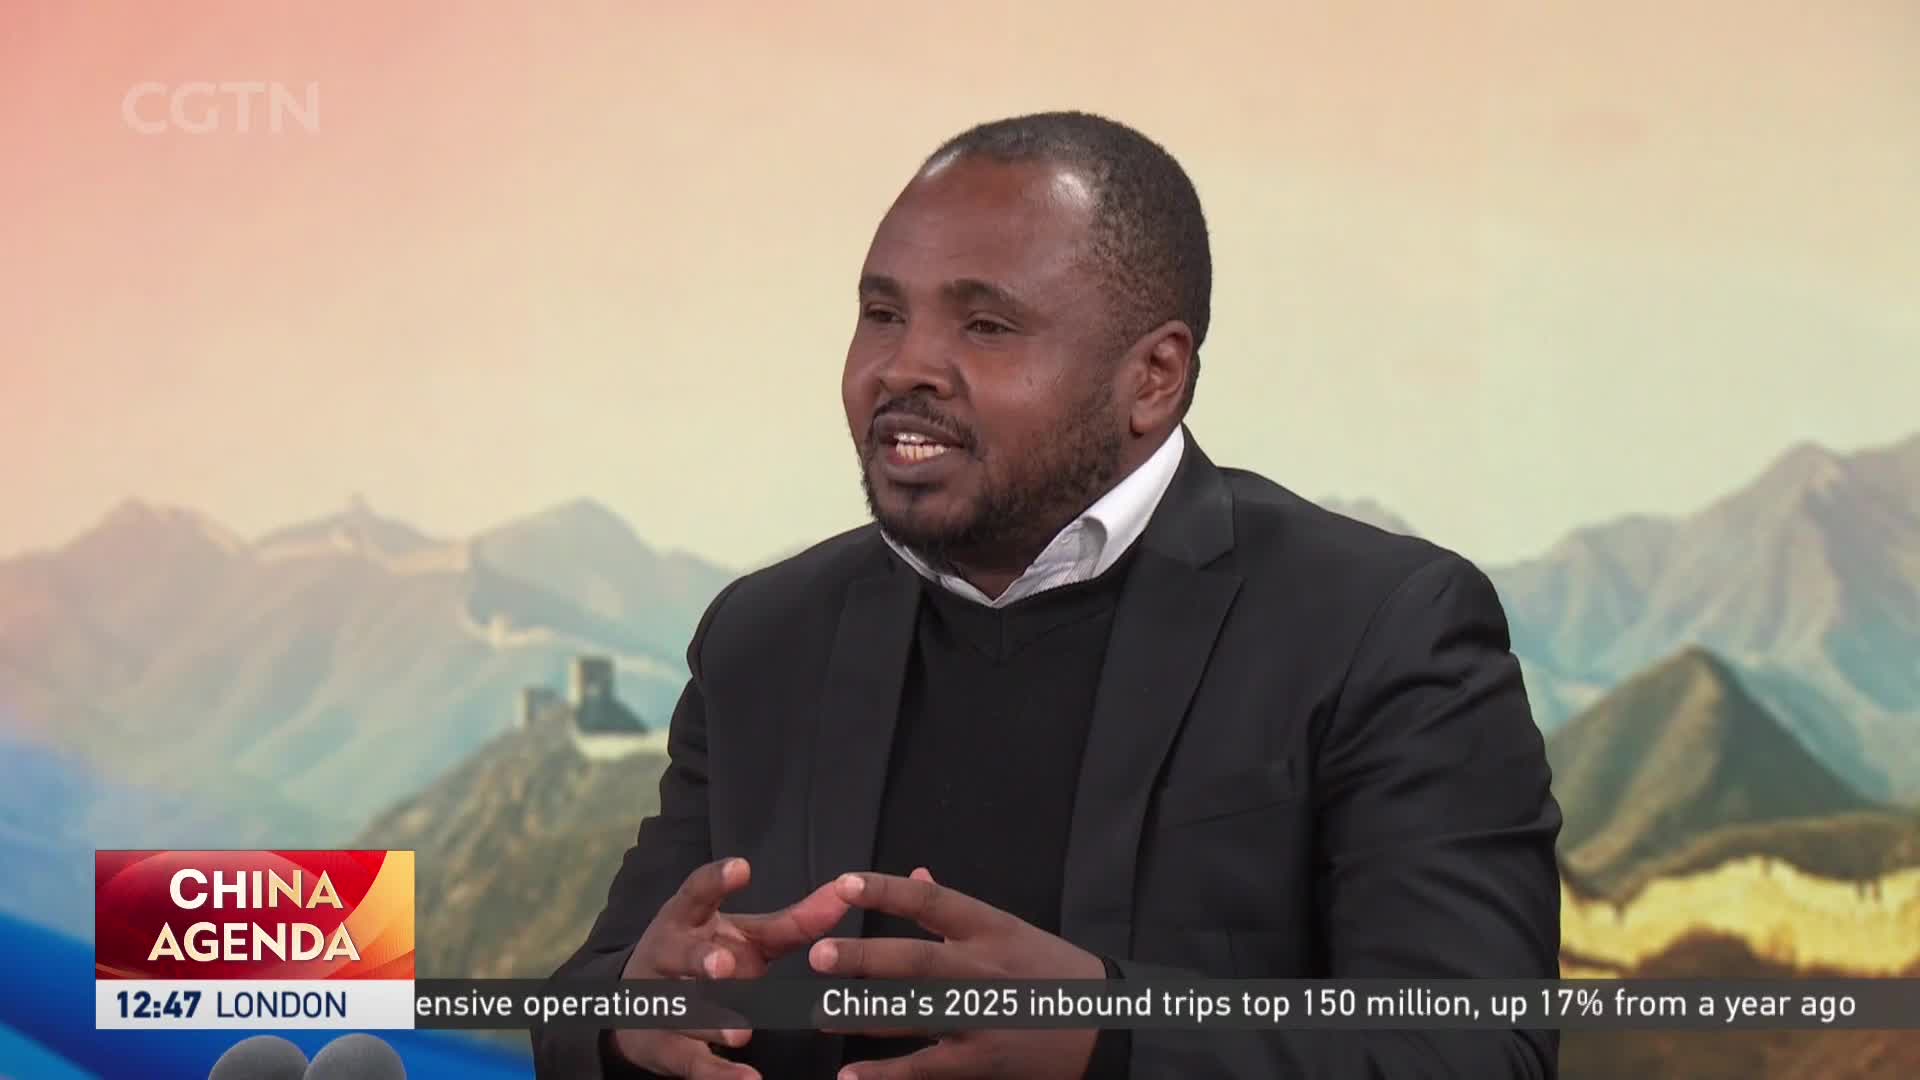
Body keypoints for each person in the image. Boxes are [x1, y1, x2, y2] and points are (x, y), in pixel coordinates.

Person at [532, 110, 1561, 1079]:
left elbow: (1472, 1050)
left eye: (984, 325)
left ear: (1153, 377)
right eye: (881, 313)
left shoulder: (1378, 627)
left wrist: (1112, 1038)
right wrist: (628, 1023)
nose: (904, 366)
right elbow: (591, 998)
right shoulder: (765, 637)